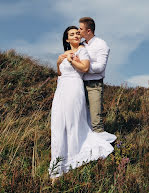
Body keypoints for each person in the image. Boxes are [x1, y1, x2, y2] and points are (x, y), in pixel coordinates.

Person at [48, 26, 116, 183]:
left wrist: (71, 60)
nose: (76, 35)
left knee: (72, 123)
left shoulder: (83, 50)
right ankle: (57, 164)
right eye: (72, 34)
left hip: (74, 88)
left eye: (77, 33)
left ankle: (71, 159)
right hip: (61, 89)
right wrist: (59, 61)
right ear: (67, 39)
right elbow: (60, 72)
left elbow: (85, 68)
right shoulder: (64, 53)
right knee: (58, 124)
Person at [75, 17, 110, 134]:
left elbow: (100, 67)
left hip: (94, 85)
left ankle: (102, 149)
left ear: (88, 31)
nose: (78, 31)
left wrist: (84, 67)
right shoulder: (80, 45)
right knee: (81, 117)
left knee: (96, 119)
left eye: (80, 29)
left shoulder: (101, 44)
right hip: (79, 84)